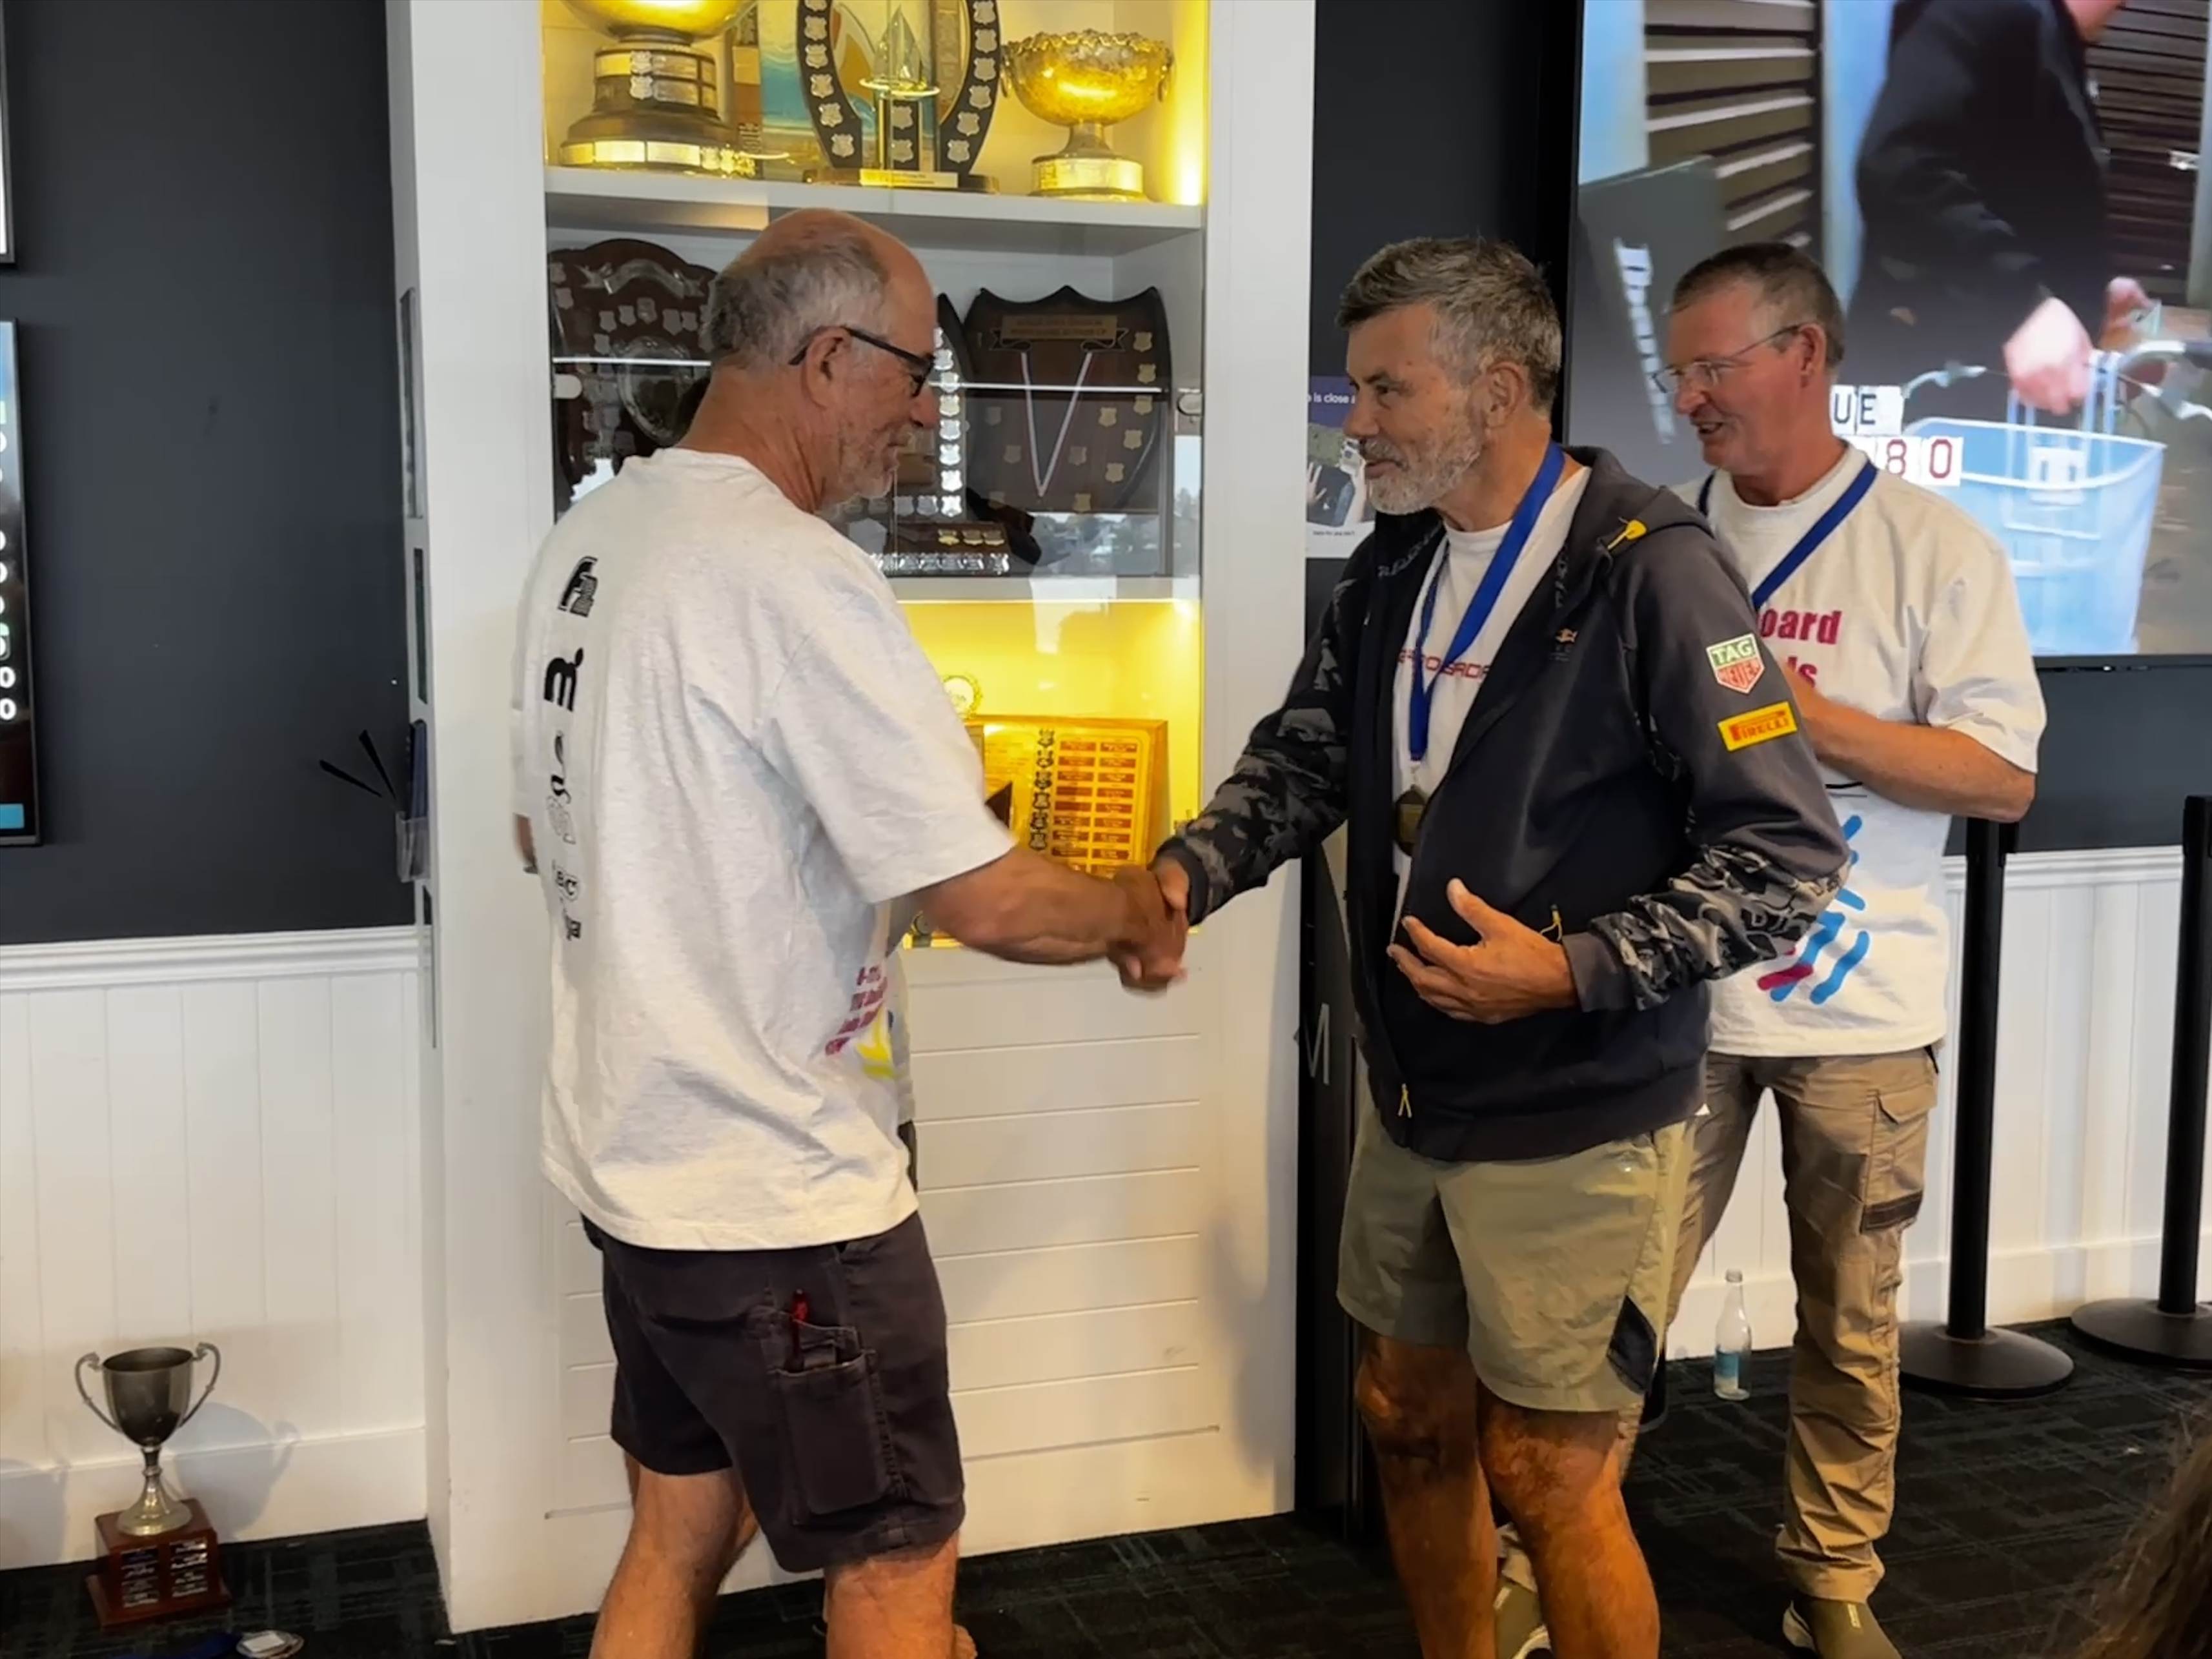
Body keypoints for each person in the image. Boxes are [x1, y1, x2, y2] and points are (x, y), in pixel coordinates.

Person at [1150, 236, 1848, 1659]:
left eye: (1385, 390)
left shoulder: (1658, 572)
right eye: (1356, 388)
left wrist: (1573, 969)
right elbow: (1304, 756)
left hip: (1575, 1107)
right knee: (1405, 1419)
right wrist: (1182, 874)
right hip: (1415, 1091)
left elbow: (1786, 859)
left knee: (1549, 1471)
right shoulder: (1394, 560)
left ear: (1499, 388)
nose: (1356, 421)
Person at [511, 208, 1185, 1659]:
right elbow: (985, 899)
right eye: (915, 371)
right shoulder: (792, 575)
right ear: (826, 360)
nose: (928, 411)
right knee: (893, 1563)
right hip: (778, 1194)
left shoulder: (597, 533)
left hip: (634, 1161)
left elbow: (537, 828)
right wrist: (1136, 910)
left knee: (678, 1527)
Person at [1501, 241, 2044, 1659]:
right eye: (1677, 370)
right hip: (1662, 998)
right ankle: (1549, 1555)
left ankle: (1835, 1576)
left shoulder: (1933, 548)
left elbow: (2001, 778)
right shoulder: (1644, 542)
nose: (1689, 397)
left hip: (1860, 1011)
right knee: (1609, 1311)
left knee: (1852, 1321)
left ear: (1805, 354)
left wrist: (1804, 719)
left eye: (1714, 366)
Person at [1849, 0, 2146, 414]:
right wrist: (2022, 304)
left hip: (1999, 394)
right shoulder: (1987, 8)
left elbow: (2020, 189)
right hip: (1935, 391)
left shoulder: (2048, 34)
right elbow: (1901, 170)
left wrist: (2088, 294)